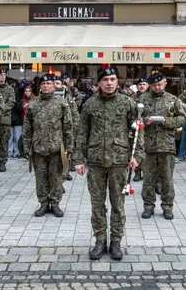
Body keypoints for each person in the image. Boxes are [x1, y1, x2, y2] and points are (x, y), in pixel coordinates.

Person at [73, 67, 144, 261]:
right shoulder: (90, 104)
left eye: (113, 79)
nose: (110, 83)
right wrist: (78, 159)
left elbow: (138, 131)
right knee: (97, 204)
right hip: (95, 161)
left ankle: (116, 242)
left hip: (119, 161)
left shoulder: (128, 103)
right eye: (105, 80)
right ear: (99, 83)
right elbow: (82, 133)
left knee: (118, 205)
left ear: (117, 82)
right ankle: (99, 241)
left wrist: (136, 155)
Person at [22, 73, 74, 218]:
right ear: (40, 86)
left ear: (54, 86)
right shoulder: (33, 103)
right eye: (43, 84)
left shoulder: (61, 103)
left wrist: (69, 147)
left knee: (56, 177)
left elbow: (68, 127)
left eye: (49, 84)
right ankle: (44, 203)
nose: (46, 86)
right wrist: (26, 147)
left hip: (57, 148)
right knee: (41, 178)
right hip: (38, 148)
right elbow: (27, 127)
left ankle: (55, 204)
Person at [140, 72, 186, 220]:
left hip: (167, 144)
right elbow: (134, 118)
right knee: (148, 178)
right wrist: (145, 120)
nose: (157, 87)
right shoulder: (142, 99)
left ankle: (167, 206)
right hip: (148, 145)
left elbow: (182, 118)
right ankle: (148, 206)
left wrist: (167, 121)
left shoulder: (173, 100)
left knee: (167, 178)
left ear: (165, 83)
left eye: (160, 84)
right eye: (154, 85)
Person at [0, 69, 16, 173]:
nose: (3, 77)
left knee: (4, 141)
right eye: (0, 75)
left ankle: (3, 162)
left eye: (4, 75)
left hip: (5, 119)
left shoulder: (10, 89)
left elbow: (11, 102)